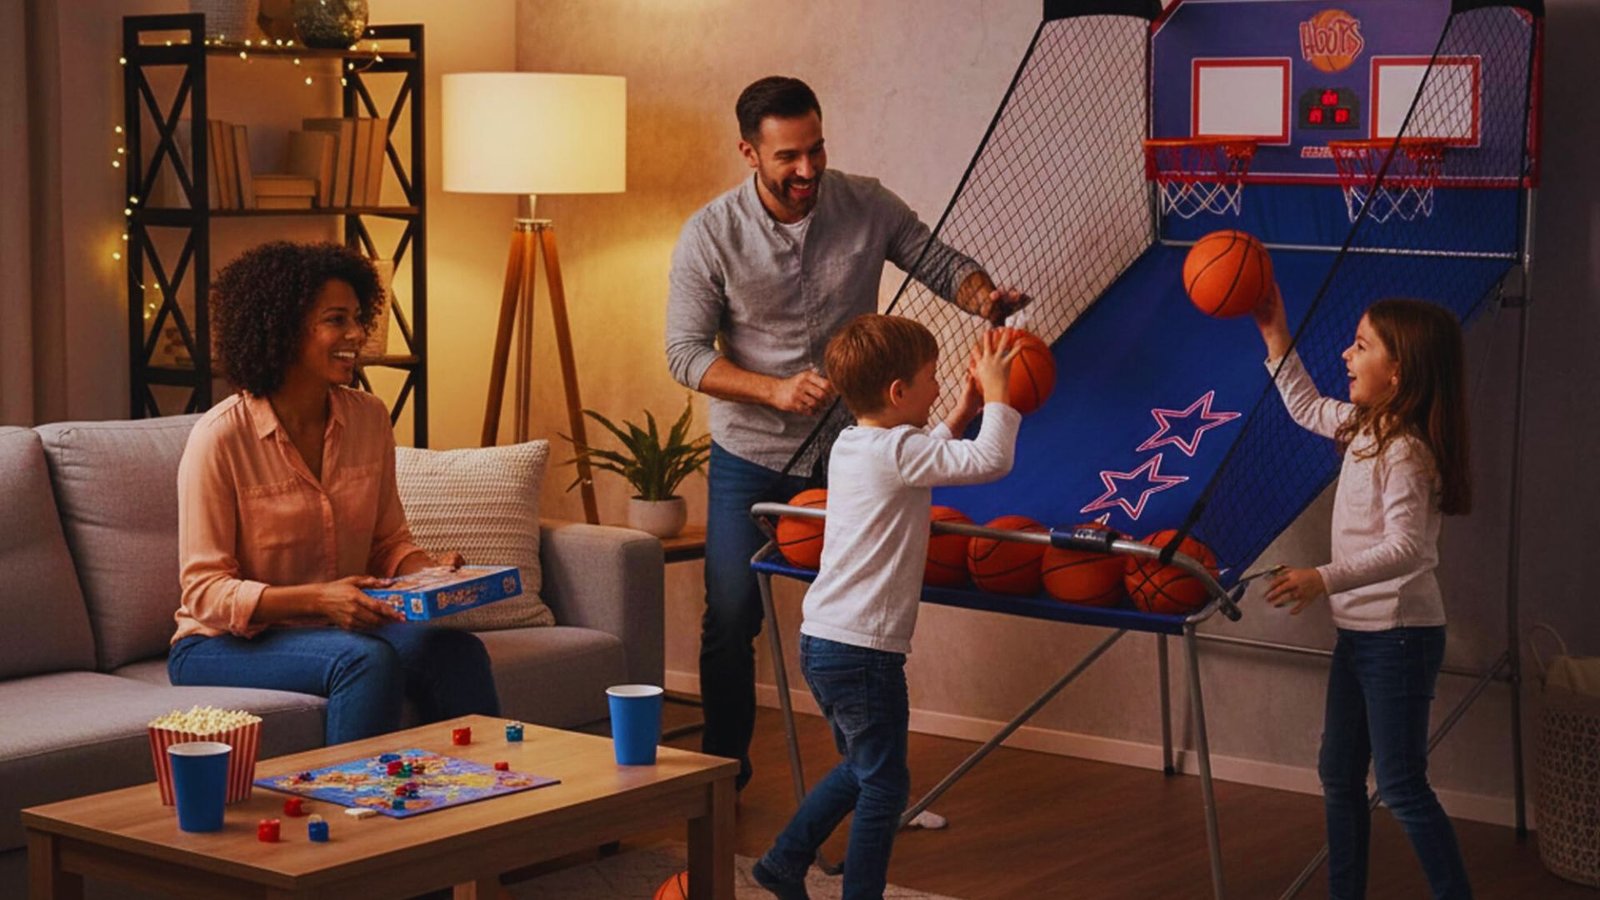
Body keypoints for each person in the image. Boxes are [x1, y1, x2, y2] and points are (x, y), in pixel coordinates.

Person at [665, 74, 1028, 790]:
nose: (807, 170)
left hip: (856, 453)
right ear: (749, 152)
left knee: (858, 623)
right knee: (732, 614)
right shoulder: (710, 233)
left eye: (817, 149)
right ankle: (721, 776)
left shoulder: (868, 202)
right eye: (788, 157)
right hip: (751, 453)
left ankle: (867, 782)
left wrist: (984, 294)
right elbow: (684, 354)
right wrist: (772, 388)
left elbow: (941, 263)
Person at [168, 241, 501, 745]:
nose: (356, 335)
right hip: (221, 643)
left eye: (357, 318)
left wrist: (429, 573)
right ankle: (355, 817)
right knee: (366, 661)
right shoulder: (220, 439)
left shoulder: (369, 418)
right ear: (282, 328)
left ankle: (485, 805)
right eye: (336, 320)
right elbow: (206, 592)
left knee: (457, 651)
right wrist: (321, 601)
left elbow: (388, 542)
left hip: (333, 629)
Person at [750, 316, 1022, 900]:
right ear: (899, 393)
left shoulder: (857, 442)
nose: (939, 386)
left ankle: (781, 862)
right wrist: (998, 397)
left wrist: (965, 410)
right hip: (862, 655)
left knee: (862, 768)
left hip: (823, 641)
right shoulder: (897, 449)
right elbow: (990, 461)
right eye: (931, 378)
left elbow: (924, 456)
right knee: (885, 786)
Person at [1253, 287, 1473, 899]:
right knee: (1339, 774)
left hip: (1399, 638)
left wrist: (1321, 578)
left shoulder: (1405, 451)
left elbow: (1410, 550)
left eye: (1361, 345)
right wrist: (1275, 331)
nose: (1347, 355)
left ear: (1397, 372)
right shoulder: (1365, 426)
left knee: (1401, 784)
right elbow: (1304, 406)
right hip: (1362, 635)